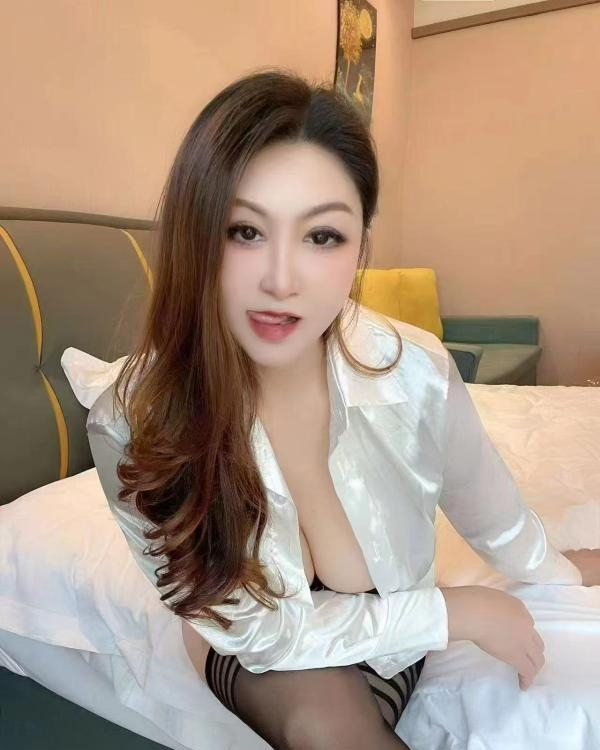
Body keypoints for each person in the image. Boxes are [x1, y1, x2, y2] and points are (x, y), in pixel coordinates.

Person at [87, 67, 600, 750]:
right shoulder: (136, 419)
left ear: (360, 245)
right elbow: (260, 633)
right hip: (250, 641)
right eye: (244, 230)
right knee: (321, 718)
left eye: (321, 236)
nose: (280, 280)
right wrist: (454, 613)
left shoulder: (415, 374)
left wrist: (560, 573)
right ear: (195, 236)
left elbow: (493, 515)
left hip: (389, 630)